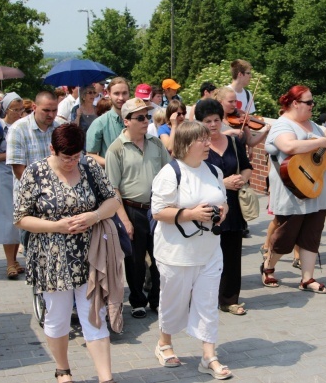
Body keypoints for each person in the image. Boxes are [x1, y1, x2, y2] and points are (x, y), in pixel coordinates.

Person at [14, 123, 120, 383]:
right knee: (58, 317)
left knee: (95, 315)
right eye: (66, 157)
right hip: (52, 258)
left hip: (90, 255)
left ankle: (106, 377)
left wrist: (93, 216)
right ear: (52, 149)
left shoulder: (89, 167)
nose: (72, 162)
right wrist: (56, 226)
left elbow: (113, 201)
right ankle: (63, 370)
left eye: (76, 156)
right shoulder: (35, 172)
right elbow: (20, 218)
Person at [151, 121, 232, 380]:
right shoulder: (170, 173)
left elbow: (224, 201)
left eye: (208, 139)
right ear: (186, 144)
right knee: (174, 302)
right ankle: (164, 343)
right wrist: (191, 214)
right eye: (202, 140)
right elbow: (158, 211)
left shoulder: (214, 171)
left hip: (209, 250)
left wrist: (221, 213)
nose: (209, 144)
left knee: (207, 303)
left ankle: (209, 356)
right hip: (176, 252)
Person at [263, 85, 326, 294]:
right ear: (295, 103)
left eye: (312, 102)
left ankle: (307, 278)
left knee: (312, 233)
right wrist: (322, 141)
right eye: (308, 102)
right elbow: (289, 147)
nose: (312, 106)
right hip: (293, 188)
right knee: (285, 235)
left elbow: (323, 150)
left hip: (316, 185)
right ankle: (268, 265)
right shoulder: (282, 125)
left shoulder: (314, 126)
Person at [105, 98, 170, 319]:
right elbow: (113, 188)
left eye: (147, 117)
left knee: (160, 256)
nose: (145, 121)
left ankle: (156, 298)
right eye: (140, 117)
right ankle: (137, 301)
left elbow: (168, 173)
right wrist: (124, 219)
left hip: (156, 208)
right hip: (132, 208)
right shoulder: (116, 149)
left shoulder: (156, 143)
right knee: (135, 260)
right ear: (126, 121)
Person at [195, 99, 253, 316]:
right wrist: (222, 183)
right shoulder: (196, 145)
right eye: (208, 121)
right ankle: (204, 298)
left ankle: (229, 299)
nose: (213, 125)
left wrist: (242, 178)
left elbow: (247, 167)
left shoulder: (234, 142)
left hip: (233, 206)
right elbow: (193, 178)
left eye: (217, 120)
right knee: (206, 255)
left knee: (232, 254)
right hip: (207, 207)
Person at [0, 93, 24, 279]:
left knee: (18, 218)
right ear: (5, 109)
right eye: (14, 110)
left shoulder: (21, 127)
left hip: (18, 174)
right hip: (2, 176)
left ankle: (15, 259)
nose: (18, 113)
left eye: (20, 109)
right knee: (7, 219)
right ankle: (9, 263)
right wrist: (11, 154)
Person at [6, 91, 60, 181]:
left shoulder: (58, 128)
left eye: (54, 110)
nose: (51, 114)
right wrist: (39, 190)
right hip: (29, 191)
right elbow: (18, 170)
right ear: (34, 107)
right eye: (46, 110)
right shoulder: (18, 129)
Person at [86, 77, 130, 166]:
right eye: (116, 94)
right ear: (109, 94)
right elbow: (90, 155)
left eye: (124, 93)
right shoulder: (100, 123)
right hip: (112, 176)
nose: (121, 98)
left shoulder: (137, 119)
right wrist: (113, 164)